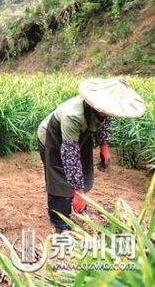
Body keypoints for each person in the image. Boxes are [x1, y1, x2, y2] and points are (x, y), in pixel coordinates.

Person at [37, 77, 146, 233]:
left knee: (81, 170)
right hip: (52, 136)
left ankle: (77, 203)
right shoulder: (73, 115)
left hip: (76, 136)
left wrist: (104, 147)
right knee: (59, 177)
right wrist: (78, 193)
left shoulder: (104, 109)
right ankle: (60, 221)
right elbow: (70, 157)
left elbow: (104, 122)